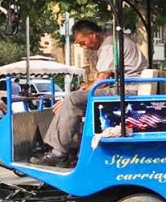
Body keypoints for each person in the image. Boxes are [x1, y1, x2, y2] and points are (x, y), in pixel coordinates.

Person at [31, 19, 147, 167]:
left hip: (128, 90)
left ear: (92, 35)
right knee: (75, 98)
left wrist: (70, 98)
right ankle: (69, 148)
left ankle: (58, 153)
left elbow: (103, 79)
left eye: (82, 42)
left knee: (73, 99)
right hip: (128, 87)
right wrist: (85, 89)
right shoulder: (114, 41)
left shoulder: (109, 45)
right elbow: (104, 79)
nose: (83, 47)